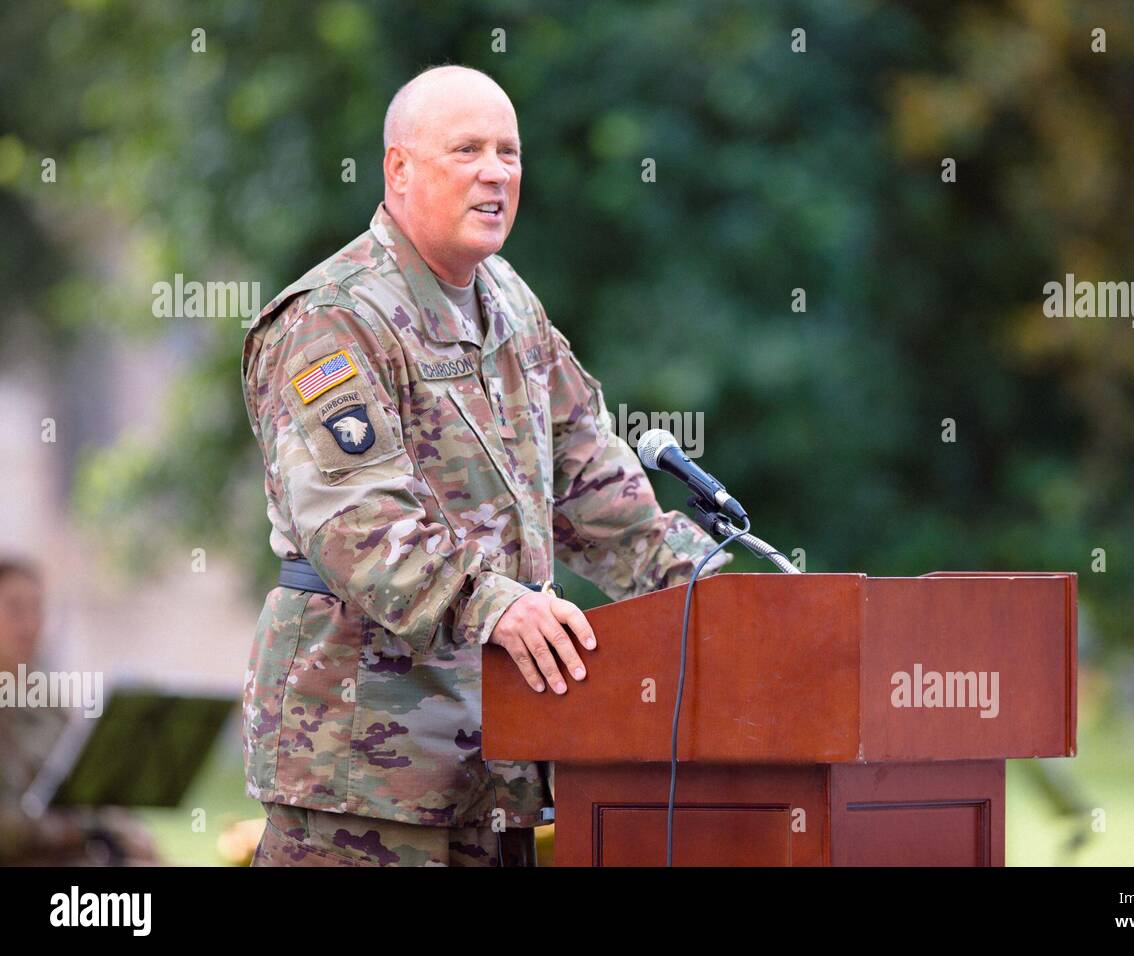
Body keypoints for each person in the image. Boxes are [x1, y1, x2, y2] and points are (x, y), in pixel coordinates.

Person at [241, 65, 731, 867]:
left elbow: (595, 491)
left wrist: (718, 602)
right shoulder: (330, 321)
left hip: (498, 763)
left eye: (510, 152)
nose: (496, 171)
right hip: (361, 771)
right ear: (399, 169)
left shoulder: (510, 305)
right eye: (467, 149)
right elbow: (358, 527)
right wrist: (497, 606)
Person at [0, 558, 157, 865]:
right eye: (14, 610)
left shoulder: (43, 698)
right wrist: (88, 830)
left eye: (37, 609)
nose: (30, 624)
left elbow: (86, 780)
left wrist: (124, 829)